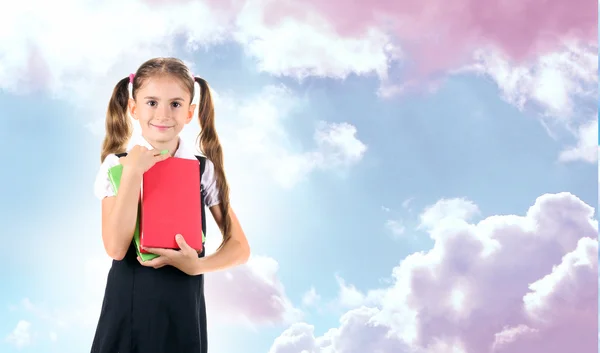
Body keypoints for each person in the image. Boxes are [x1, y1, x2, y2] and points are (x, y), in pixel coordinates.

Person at [90, 57, 250, 353]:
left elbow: (239, 247)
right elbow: (115, 247)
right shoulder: (117, 165)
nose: (163, 113)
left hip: (182, 315)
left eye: (175, 104)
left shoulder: (203, 170)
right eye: (152, 102)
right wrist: (133, 173)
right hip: (128, 312)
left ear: (190, 113)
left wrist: (197, 265)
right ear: (134, 108)